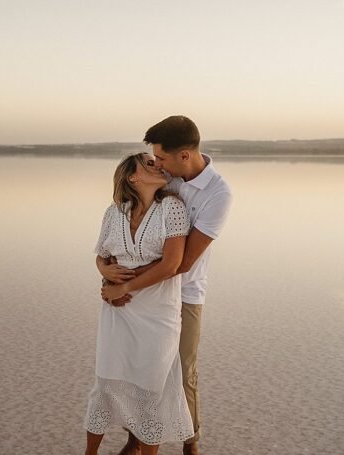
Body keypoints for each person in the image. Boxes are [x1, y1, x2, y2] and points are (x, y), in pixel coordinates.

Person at [106, 116, 232, 455]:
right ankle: (136, 439)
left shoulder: (218, 194)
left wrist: (126, 286)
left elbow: (184, 262)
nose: (156, 164)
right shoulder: (167, 178)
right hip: (148, 290)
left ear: (185, 155)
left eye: (161, 158)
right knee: (140, 367)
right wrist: (110, 272)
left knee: (183, 371)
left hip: (186, 293)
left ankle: (190, 446)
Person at [84, 153, 195, 455]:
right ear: (132, 177)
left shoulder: (171, 208)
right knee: (105, 385)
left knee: (151, 390)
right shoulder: (115, 211)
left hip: (158, 312)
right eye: (148, 163)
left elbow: (171, 265)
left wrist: (124, 287)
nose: (158, 164)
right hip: (116, 313)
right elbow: (101, 255)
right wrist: (104, 273)